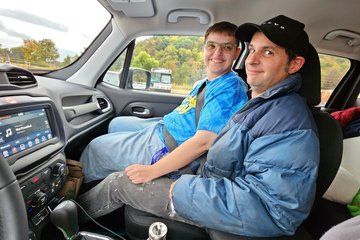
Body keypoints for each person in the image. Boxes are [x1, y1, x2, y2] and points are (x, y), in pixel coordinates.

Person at [77, 15, 320, 237]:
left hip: (215, 200)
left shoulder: (288, 121)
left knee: (121, 183)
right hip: (211, 183)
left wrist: (178, 187)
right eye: (253, 49)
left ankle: (62, 220)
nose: (252, 60)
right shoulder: (264, 104)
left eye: (268, 53)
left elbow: (274, 209)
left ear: (295, 64)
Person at [80, 21, 248, 184]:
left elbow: (204, 142)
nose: (217, 53)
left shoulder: (230, 88)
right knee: (116, 123)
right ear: (204, 48)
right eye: (212, 46)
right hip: (164, 128)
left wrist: (153, 171)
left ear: (236, 53)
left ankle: (76, 193)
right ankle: (111, 168)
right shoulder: (206, 82)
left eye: (226, 47)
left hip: (168, 145)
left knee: (95, 148)